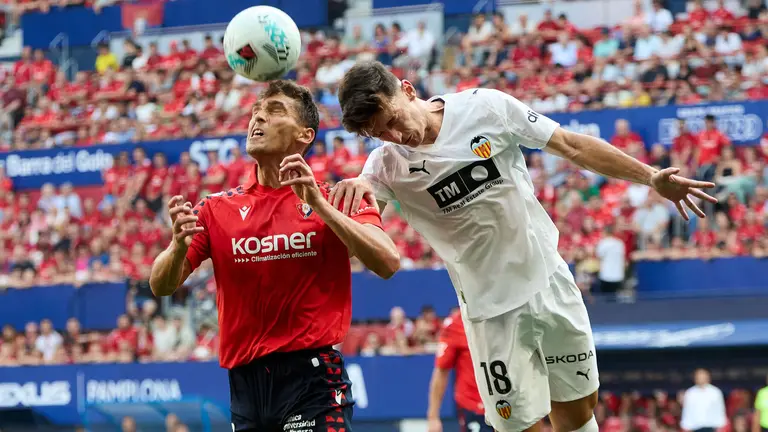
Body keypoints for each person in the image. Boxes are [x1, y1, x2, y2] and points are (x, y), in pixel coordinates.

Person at [331, 61, 717, 432]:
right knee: (519, 427)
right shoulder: (382, 168)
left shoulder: (485, 107)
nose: (396, 137)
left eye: (394, 122)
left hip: (548, 281)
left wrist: (650, 177)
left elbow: (571, 146)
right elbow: (361, 242)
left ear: (408, 91)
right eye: (380, 134)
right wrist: (330, 208)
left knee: (579, 413)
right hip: (490, 313)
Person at [149, 80, 399, 432]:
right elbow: (161, 285)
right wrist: (176, 247)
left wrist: (319, 207)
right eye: (256, 112)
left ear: (305, 135)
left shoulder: (338, 196)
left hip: (313, 381)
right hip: (246, 387)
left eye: (275, 111)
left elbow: (388, 262)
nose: (258, 119)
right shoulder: (215, 209)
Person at [427, 309, 490, 432]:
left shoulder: (509, 315)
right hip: (474, 407)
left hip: (510, 405)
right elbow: (441, 371)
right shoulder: (456, 323)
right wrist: (433, 417)